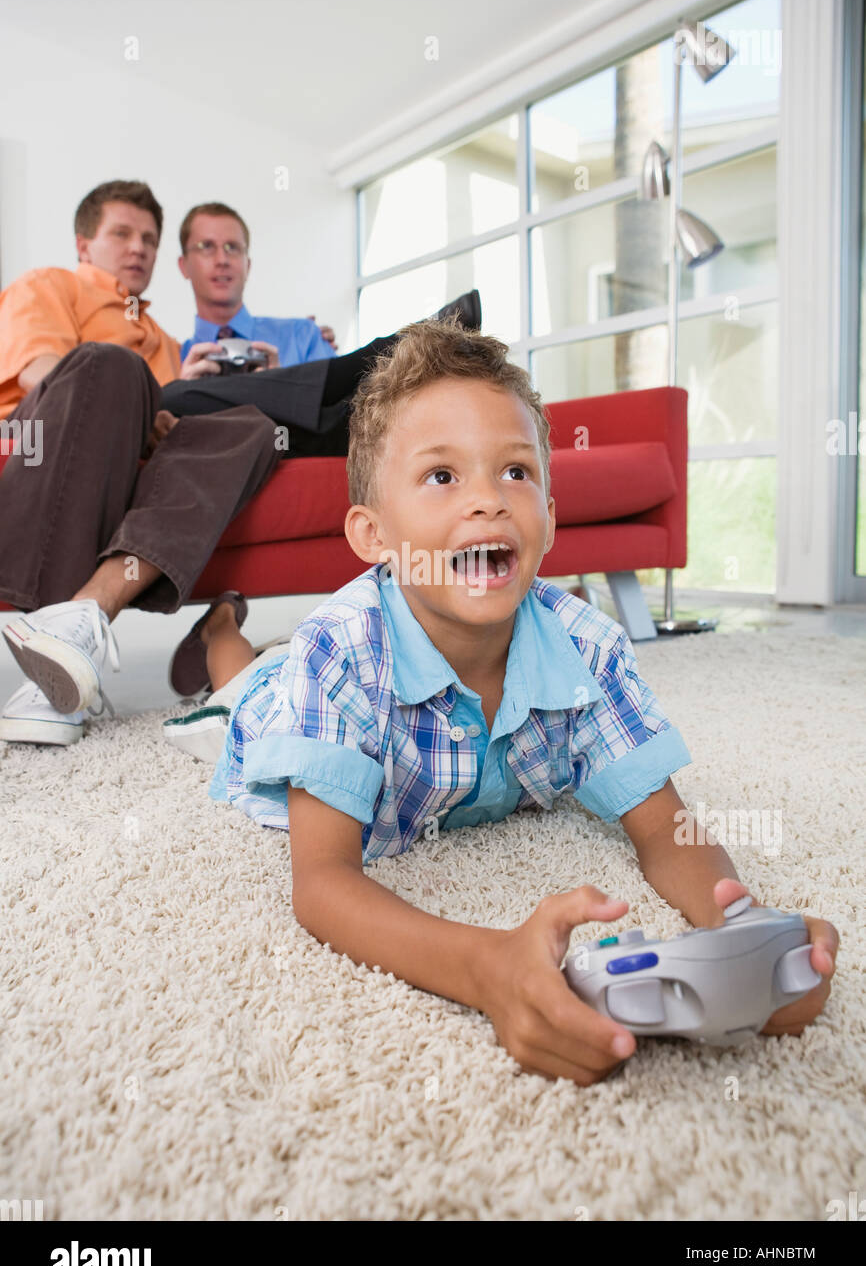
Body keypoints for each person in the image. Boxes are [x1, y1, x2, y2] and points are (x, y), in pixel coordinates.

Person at [162, 318, 839, 1086]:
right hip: (272, 709)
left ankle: (232, 635)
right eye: (443, 476)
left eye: (516, 472)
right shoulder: (337, 655)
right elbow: (322, 885)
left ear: (549, 518)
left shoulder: (589, 648)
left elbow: (665, 828)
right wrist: (487, 968)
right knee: (238, 688)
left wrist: (743, 926)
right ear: (373, 534)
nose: (487, 500)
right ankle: (222, 624)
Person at [0, 180, 280, 746]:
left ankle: (78, 622)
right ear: (84, 244)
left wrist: (188, 394)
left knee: (250, 423)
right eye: (122, 233)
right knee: (114, 366)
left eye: (149, 239)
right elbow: (40, 373)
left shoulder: (164, 341)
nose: (139, 248)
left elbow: (177, 432)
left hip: (133, 463)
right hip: (44, 448)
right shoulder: (50, 284)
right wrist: (148, 400)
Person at [176, 200, 340, 373]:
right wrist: (182, 394)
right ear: (183, 265)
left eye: (232, 247)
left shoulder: (304, 339)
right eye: (206, 246)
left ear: (248, 265)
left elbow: (347, 399)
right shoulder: (172, 360)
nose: (222, 260)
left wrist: (287, 390)